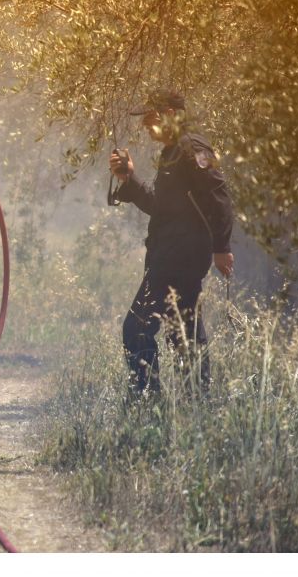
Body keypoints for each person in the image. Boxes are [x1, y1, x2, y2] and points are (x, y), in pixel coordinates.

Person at [109, 88, 234, 394]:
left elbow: (220, 197)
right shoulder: (173, 153)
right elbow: (160, 207)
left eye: (150, 118)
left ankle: (147, 403)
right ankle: (197, 402)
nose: (144, 126)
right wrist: (129, 178)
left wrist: (221, 248)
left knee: (137, 328)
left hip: (180, 259)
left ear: (169, 116)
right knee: (184, 332)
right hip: (171, 256)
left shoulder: (191, 148)